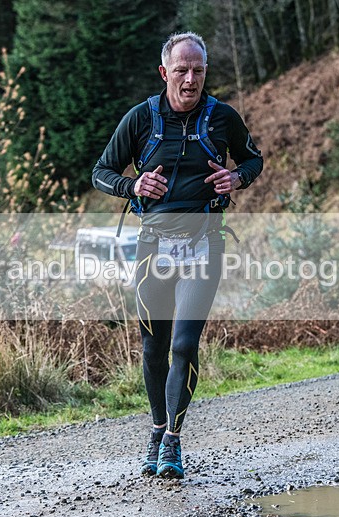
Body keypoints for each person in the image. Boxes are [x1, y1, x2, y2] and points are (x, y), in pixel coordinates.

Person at [92, 32, 263, 479]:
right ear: (165, 73)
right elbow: (101, 172)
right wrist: (133, 185)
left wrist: (236, 178)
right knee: (153, 347)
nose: (191, 80)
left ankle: (172, 440)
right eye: (183, 71)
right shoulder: (141, 118)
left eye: (199, 71)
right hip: (153, 247)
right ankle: (155, 428)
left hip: (205, 244)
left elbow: (253, 159)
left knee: (184, 344)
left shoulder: (222, 117)